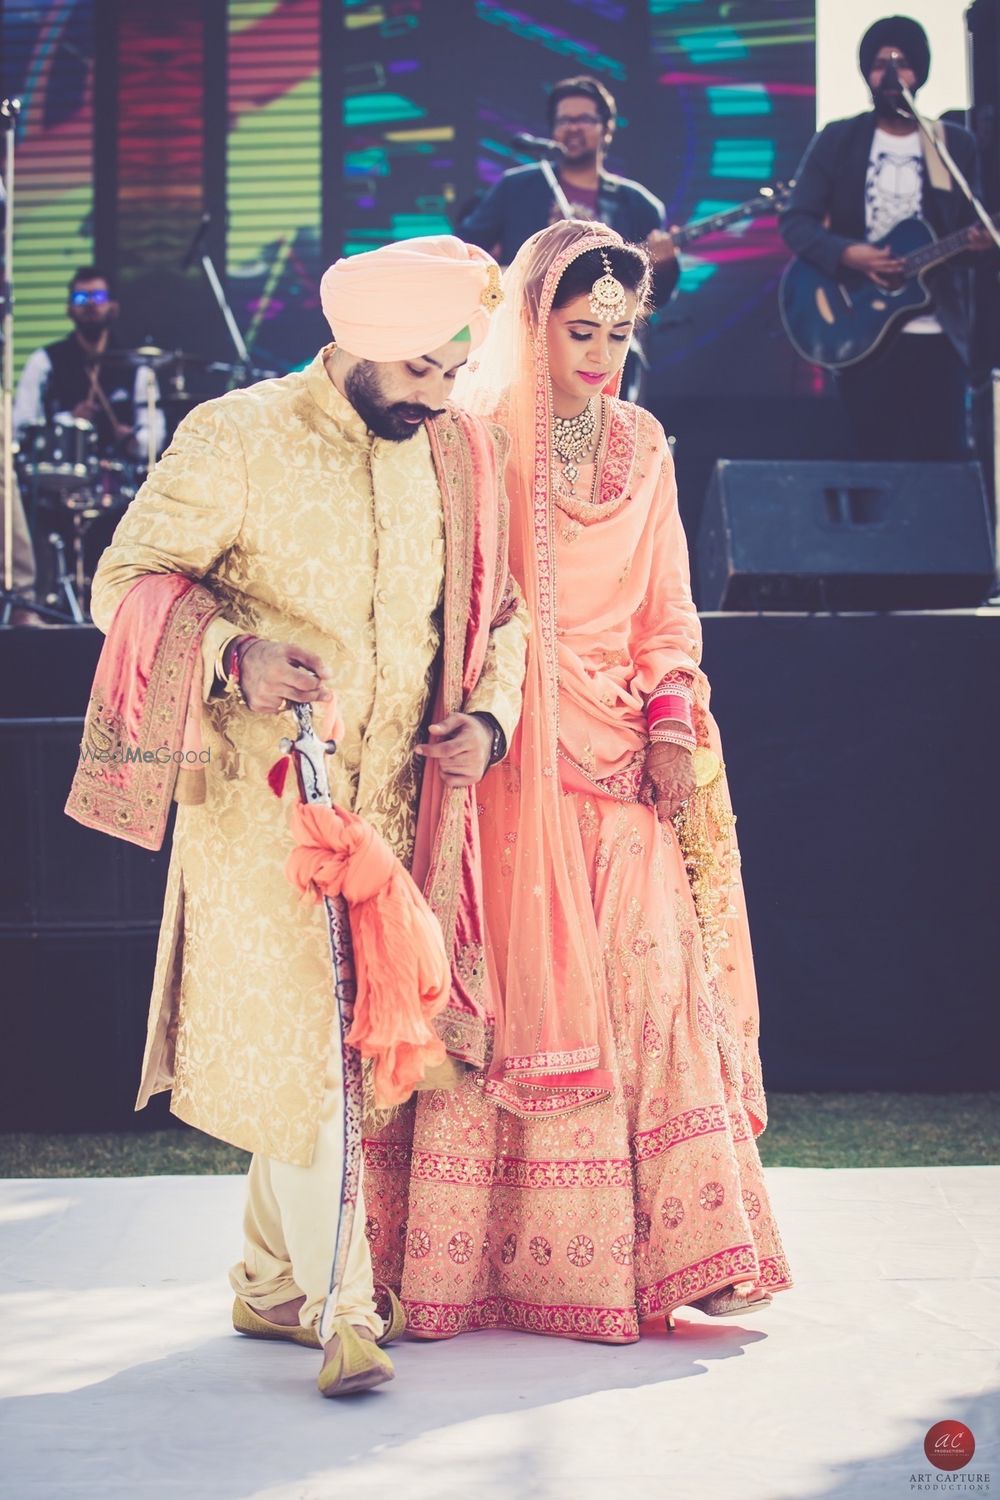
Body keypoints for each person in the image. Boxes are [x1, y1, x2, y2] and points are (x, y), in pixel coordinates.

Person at [81, 235, 528, 1394]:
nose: (440, 395)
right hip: (262, 810)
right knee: (316, 1047)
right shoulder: (236, 435)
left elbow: (504, 611)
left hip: (394, 811)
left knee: (344, 1049)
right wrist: (232, 654)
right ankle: (344, 1312)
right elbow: (123, 582)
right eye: (423, 371)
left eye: (452, 371)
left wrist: (487, 717)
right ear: (361, 347)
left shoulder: (453, 451)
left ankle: (269, 1283)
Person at [364, 220, 791, 1343]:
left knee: (651, 985)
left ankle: (688, 1252)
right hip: (503, 753)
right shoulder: (469, 439)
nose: (600, 353)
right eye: (581, 330)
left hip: (619, 749)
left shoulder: (643, 444)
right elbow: (450, 596)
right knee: (502, 1001)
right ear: (532, 324)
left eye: (620, 333)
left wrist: (666, 721)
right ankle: (472, 1263)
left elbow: (666, 607)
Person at [780, 15, 995, 461]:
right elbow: (796, 221)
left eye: (902, 62)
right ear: (867, 74)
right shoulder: (838, 139)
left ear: (920, 72)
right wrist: (850, 255)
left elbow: (970, 244)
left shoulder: (953, 144)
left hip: (937, 332)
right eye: (881, 63)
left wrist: (977, 245)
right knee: (870, 460)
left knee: (942, 467)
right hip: (860, 332)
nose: (892, 72)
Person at [458, 75, 678, 305]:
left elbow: (654, 300)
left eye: (583, 119)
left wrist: (665, 266)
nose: (572, 128)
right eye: (563, 120)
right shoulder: (515, 188)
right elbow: (463, 250)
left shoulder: (639, 205)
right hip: (523, 327)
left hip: (605, 334)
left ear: (606, 128)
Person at [13, 265, 165, 460]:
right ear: (69, 309)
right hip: (59, 477)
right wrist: (70, 422)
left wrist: (135, 441)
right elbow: (22, 427)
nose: (90, 304)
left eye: (99, 297)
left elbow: (154, 431)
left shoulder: (136, 365)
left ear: (113, 307)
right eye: (81, 298)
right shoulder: (44, 361)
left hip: (119, 478)